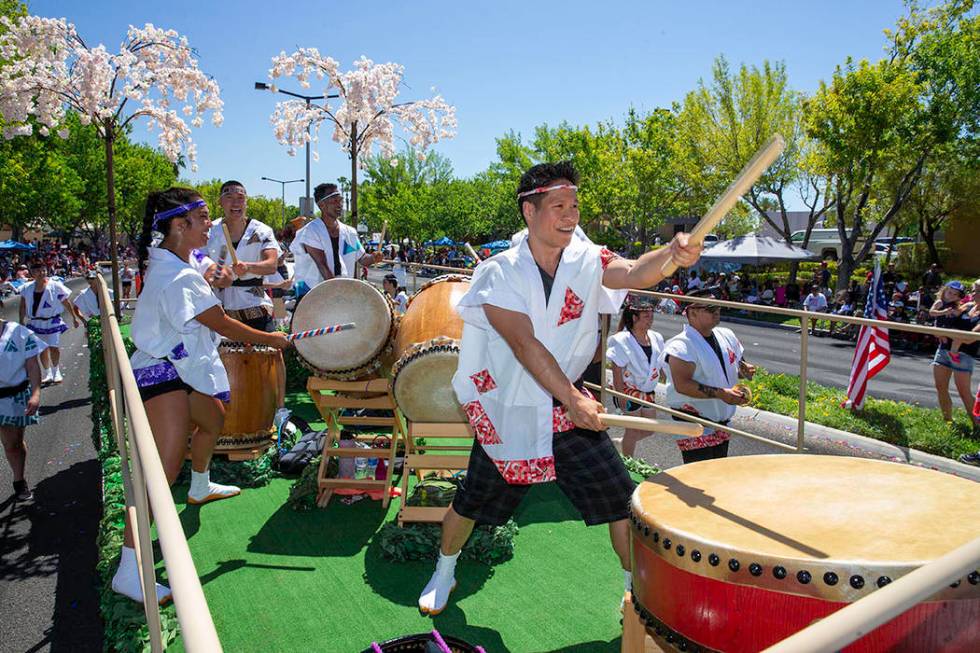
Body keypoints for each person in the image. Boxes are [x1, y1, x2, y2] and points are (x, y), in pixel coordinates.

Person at [416, 161, 702, 616]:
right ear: (529, 212)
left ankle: (635, 591)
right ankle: (444, 569)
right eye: (558, 206)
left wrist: (671, 257)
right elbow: (525, 345)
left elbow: (632, 272)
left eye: (574, 205)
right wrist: (573, 398)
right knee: (472, 502)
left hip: (569, 403)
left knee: (621, 501)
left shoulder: (587, 259)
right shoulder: (498, 272)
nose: (570, 215)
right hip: (511, 406)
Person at [111, 187, 290, 605]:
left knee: (212, 419)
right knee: (160, 473)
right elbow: (222, 322)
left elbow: (210, 266)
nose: (210, 223)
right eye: (203, 216)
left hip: (181, 367)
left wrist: (223, 273)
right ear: (179, 225)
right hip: (163, 373)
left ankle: (201, 485)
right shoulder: (176, 275)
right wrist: (274, 340)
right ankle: (128, 567)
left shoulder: (181, 259)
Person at [661, 288, 755, 463]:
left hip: (720, 420)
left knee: (716, 473)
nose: (717, 310)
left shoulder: (727, 335)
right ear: (693, 312)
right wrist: (721, 393)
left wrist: (744, 370)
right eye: (710, 308)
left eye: (718, 306)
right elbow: (682, 385)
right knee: (699, 477)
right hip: (692, 420)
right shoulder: (680, 346)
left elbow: (735, 362)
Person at [205, 181, 281, 332]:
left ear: (246, 202)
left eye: (240, 198)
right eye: (229, 197)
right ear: (220, 202)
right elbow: (198, 263)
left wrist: (248, 267)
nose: (235, 202)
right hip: (219, 307)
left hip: (256, 304)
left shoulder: (261, 230)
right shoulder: (209, 231)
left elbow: (272, 265)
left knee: (269, 352)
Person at [289, 183, 383, 297]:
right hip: (312, 294)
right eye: (334, 200)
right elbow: (322, 265)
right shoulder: (310, 231)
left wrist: (373, 257)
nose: (339, 204)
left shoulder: (350, 233)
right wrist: (337, 294)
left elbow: (362, 258)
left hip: (340, 293)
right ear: (322, 205)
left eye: (340, 200)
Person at [605, 296, 666, 457]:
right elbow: (616, 369)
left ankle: (622, 442)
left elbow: (659, 359)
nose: (650, 320)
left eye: (652, 316)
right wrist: (620, 395)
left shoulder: (656, 337)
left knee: (650, 429)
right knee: (632, 429)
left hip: (647, 389)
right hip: (628, 389)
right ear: (634, 317)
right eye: (646, 316)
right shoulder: (621, 340)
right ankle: (628, 462)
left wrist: (663, 373)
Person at [0, 318, 45, 501]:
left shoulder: (19, 333)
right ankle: (19, 481)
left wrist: (35, 394)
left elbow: (33, 365)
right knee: (9, 443)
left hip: (16, 396)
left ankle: (19, 478)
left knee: (15, 442)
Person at [19, 260, 79, 384]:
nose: (41, 273)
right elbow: (23, 305)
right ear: (32, 273)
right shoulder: (26, 288)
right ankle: (48, 373)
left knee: (54, 347)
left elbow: (66, 302)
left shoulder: (55, 286)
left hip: (52, 321)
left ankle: (56, 371)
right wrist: (21, 320)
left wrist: (74, 317)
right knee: (41, 349)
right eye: (37, 271)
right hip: (36, 323)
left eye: (43, 270)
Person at [929, 280, 977, 421]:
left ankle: (977, 425)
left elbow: (969, 338)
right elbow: (942, 317)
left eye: (977, 291)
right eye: (973, 290)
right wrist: (938, 330)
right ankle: (948, 421)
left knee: (964, 392)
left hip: (963, 355)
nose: (973, 293)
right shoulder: (965, 306)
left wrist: (942, 332)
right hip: (944, 350)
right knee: (940, 387)